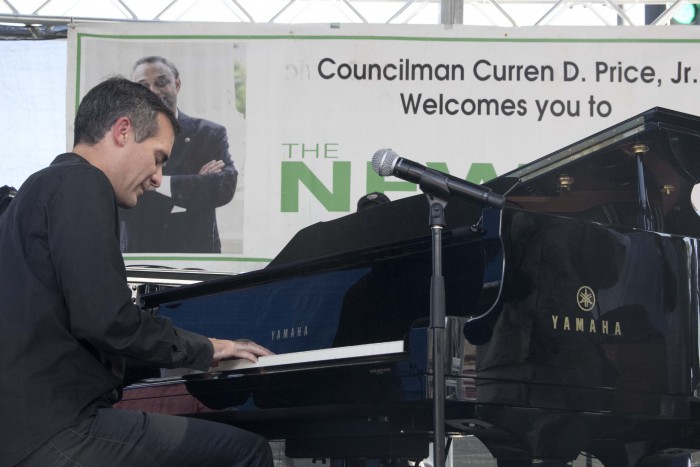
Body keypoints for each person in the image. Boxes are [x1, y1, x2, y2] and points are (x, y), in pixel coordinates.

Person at [0, 77, 274, 467]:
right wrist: (208, 348)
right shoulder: (83, 182)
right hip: (58, 431)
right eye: (159, 157)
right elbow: (108, 321)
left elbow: (76, 338)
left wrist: (182, 359)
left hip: (26, 431)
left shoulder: (39, 191)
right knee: (246, 452)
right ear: (123, 131)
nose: (159, 178)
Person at [119, 55, 237, 253]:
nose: (153, 91)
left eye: (161, 82)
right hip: (139, 254)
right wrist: (194, 185)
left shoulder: (209, 134)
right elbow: (120, 200)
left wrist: (154, 184)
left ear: (177, 84)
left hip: (196, 253)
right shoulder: (124, 137)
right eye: (143, 86)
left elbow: (224, 187)